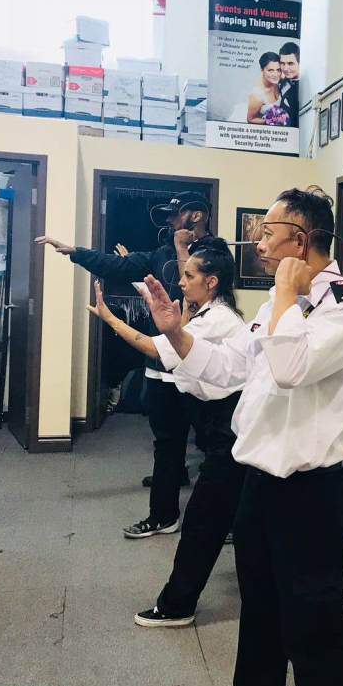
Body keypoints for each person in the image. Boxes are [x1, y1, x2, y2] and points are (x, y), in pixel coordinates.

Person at [141, 186, 343, 686]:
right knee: (260, 616)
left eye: (269, 234)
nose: (259, 244)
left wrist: (289, 295)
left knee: (316, 626)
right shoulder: (276, 303)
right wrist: (176, 334)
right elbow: (231, 368)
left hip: (310, 493)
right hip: (258, 484)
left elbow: (291, 369)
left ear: (304, 239)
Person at [36, 190, 219, 538]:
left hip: (200, 365)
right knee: (166, 444)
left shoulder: (217, 254)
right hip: (161, 364)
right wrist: (74, 252)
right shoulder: (159, 253)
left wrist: (184, 250)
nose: (168, 221)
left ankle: (220, 517)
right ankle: (164, 514)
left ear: (195, 216)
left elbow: (194, 298)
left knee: (215, 444)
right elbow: (116, 265)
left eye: (173, 215)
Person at [85, 245, 247, 627]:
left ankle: (177, 605)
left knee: (202, 521)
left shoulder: (217, 320)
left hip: (234, 424)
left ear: (212, 282)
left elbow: (157, 348)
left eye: (189, 276)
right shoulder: (203, 312)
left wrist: (109, 317)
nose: (181, 281)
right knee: (243, 513)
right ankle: (264, 585)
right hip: (220, 420)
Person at [247, 52, 284, 125]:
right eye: (270, 70)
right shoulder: (256, 96)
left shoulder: (277, 82)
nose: (276, 75)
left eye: (278, 70)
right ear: (262, 70)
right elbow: (250, 119)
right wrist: (271, 121)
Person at [278, 42, 300, 128]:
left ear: (299, 62)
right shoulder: (280, 82)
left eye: (290, 63)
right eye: (283, 64)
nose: (286, 69)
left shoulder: (303, 86)